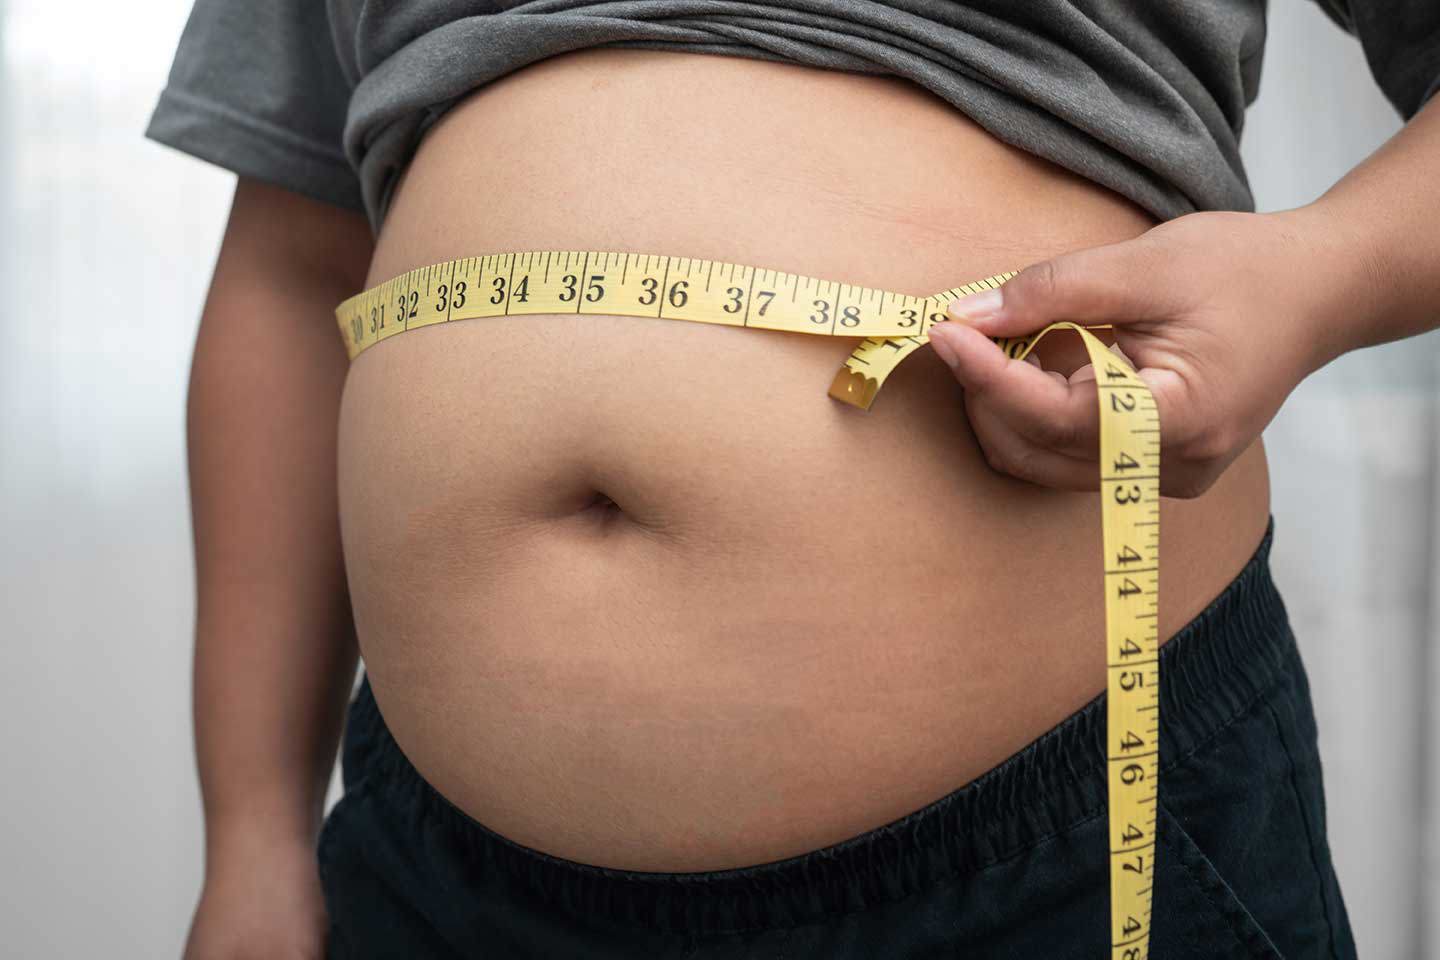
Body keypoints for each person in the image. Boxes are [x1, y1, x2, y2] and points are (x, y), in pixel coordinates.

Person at [146, 1, 1437, 957]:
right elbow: (292, 262)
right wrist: (252, 837)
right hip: (433, 875)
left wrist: (1314, 279)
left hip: (1063, 844)